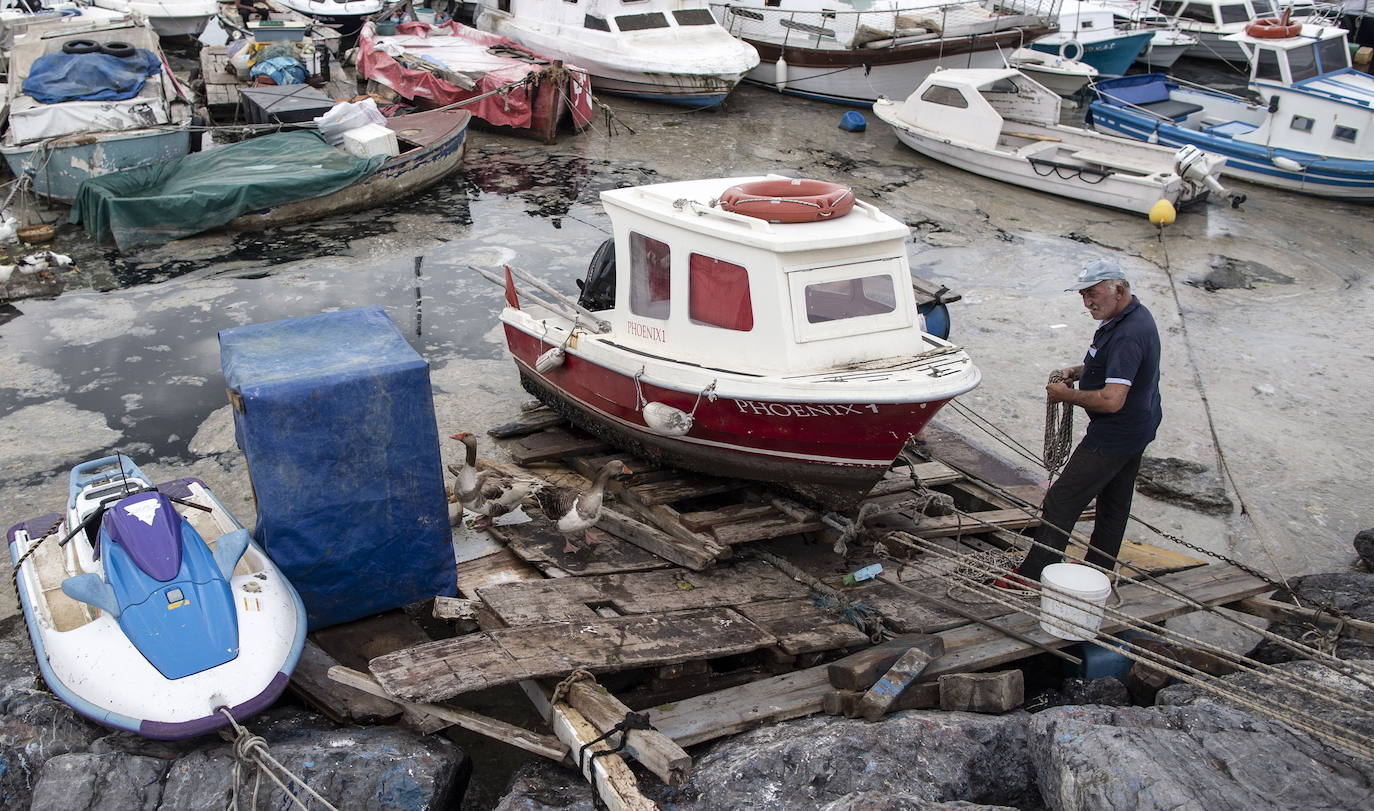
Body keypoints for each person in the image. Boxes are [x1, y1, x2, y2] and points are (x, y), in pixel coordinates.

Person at [1011, 258, 1162, 584]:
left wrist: (1064, 395)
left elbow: (1111, 400)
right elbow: (1118, 369)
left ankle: (1034, 574)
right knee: (1114, 501)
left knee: (1061, 500)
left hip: (1115, 433)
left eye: (1093, 294)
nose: (1087, 302)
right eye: (1082, 295)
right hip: (1139, 426)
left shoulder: (1128, 335)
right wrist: (1078, 372)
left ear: (1118, 290)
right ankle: (1099, 568)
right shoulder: (1130, 317)